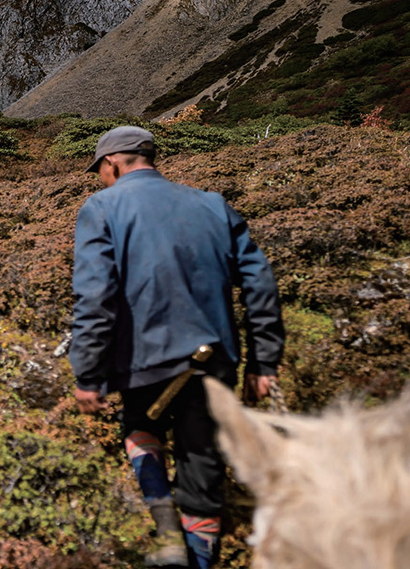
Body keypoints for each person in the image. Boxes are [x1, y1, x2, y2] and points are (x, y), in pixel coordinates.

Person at [69, 126, 285, 569]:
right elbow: (260, 283)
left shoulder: (102, 207)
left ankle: (167, 532)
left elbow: (95, 296)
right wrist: (263, 363)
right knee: (202, 460)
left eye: (100, 171)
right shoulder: (212, 204)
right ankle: (199, 557)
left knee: (140, 428)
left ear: (112, 164)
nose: (101, 179)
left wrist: (88, 373)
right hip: (214, 358)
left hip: (144, 359)